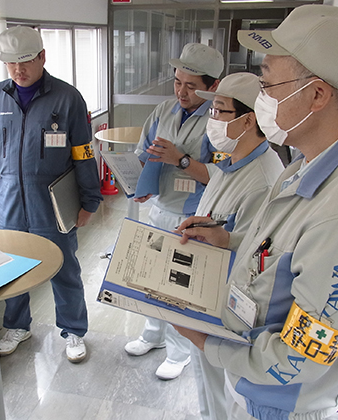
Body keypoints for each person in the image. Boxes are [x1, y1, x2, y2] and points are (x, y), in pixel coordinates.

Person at [176, 5, 338, 420]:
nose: (261, 100)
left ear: (317, 94)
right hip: (255, 387)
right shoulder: (310, 161)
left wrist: (207, 341)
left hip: (283, 407)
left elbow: (300, 358)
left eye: (268, 86)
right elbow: (293, 251)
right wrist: (232, 240)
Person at [154, 72, 283, 419]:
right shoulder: (228, 165)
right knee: (208, 386)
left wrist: (227, 240)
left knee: (224, 392)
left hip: (229, 312)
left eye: (219, 112)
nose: (211, 120)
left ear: (248, 120)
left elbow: (264, 259)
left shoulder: (264, 180)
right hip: (207, 296)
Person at [0, 26, 102, 363]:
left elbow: (83, 152)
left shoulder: (67, 97)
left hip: (53, 201)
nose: (19, 70)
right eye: (12, 64)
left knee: (63, 267)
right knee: (13, 267)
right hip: (10, 201)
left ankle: (74, 330)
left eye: (27, 61)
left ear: (43, 57)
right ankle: (17, 325)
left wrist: (90, 200)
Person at [124, 42, 223, 380]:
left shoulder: (219, 121)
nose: (181, 91)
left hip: (195, 217)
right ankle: (152, 336)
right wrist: (137, 182)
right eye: (177, 81)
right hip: (160, 207)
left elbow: (220, 177)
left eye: (191, 85)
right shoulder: (164, 110)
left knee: (180, 286)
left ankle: (179, 352)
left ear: (213, 87)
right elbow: (143, 152)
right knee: (152, 278)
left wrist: (181, 159)